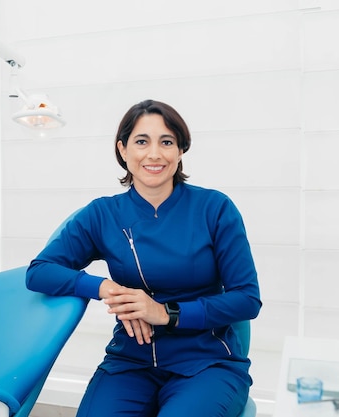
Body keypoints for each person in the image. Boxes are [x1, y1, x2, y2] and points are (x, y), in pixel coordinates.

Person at [25, 99, 262, 417]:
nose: (154, 154)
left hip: (206, 362)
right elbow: (40, 272)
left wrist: (167, 313)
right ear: (123, 150)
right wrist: (106, 288)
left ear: (180, 151)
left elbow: (246, 300)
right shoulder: (103, 214)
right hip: (131, 361)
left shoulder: (215, 209)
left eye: (167, 142)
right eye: (141, 141)